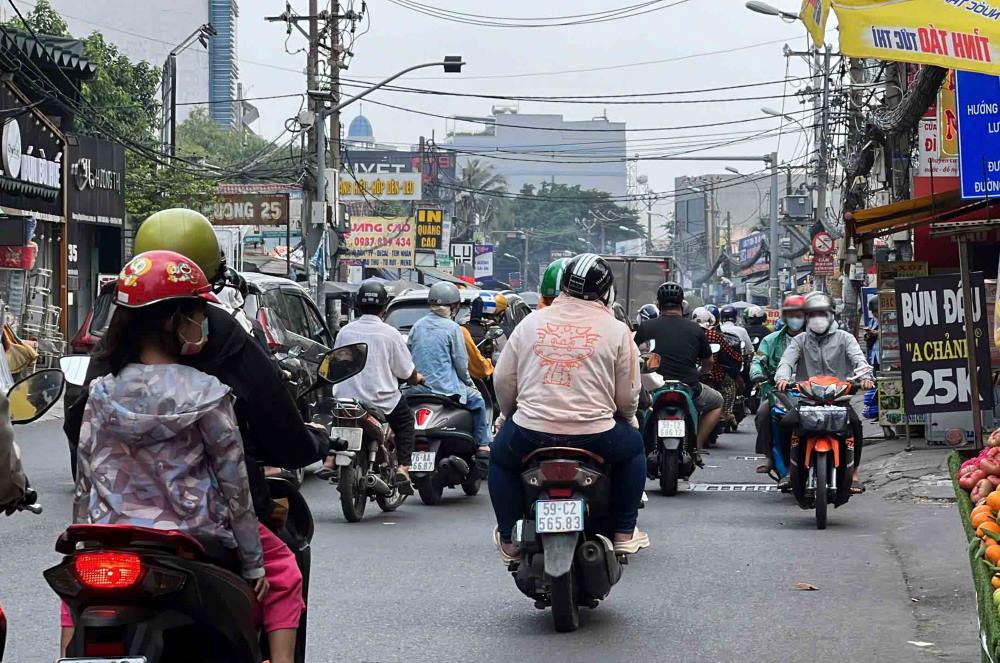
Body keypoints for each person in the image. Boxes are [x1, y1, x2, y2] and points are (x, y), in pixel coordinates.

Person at [64, 251, 301, 662]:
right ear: (176, 321)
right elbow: (235, 488)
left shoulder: (100, 392)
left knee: (77, 587)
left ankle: (65, 653)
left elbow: (85, 478)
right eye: (196, 312)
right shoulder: (207, 392)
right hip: (195, 538)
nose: (202, 322)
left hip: (113, 534)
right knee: (284, 572)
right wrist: (253, 564)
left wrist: (84, 541)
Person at [65, 208, 329, 519]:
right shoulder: (214, 386)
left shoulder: (109, 363)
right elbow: (252, 470)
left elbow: (78, 440)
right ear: (182, 318)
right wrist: (255, 565)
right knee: (282, 561)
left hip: (114, 524)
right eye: (199, 310)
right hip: (206, 525)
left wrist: (83, 531)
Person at [491, 254, 648, 560]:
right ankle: (624, 532)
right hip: (596, 434)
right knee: (634, 450)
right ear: (606, 291)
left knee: (499, 460)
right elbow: (629, 394)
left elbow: (503, 380)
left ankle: (510, 538)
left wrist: (509, 414)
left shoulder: (530, 324)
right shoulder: (617, 330)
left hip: (529, 432)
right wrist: (628, 419)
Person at [320, 281, 424, 493]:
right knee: (405, 423)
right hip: (381, 401)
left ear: (357, 305)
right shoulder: (390, 334)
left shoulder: (345, 332)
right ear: (384, 307)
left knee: (334, 417)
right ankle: (403, 468)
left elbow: (335, 364)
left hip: (346, 398)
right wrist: (417, 378)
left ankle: (330, 459)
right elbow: (405, 372)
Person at [775, 292, 874, 494]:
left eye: (821, 313)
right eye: (812, 314)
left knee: (855, 427)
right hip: (807, 401)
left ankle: (854, 472)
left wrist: (865, 377)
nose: (817, 318)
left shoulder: (845, 338)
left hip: (839, 400)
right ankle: (788, 470)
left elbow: (859, 360)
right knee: (785, 424)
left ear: (831, 315)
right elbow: (786, 361)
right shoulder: (800, 341)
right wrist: (783, 378)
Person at [634, 283, 724, 452]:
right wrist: (702, 372)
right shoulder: (695, 329)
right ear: (682, 304)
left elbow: (632, 355)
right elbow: (709, 361)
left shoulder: (646, 327)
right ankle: (696, 445)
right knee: (717, 401)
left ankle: (638, 447)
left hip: (652, 388)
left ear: (659, 304)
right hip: (688, 386)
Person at [407, 282, 493, 459]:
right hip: (445, 389)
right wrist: (470, 384)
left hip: (416, 389)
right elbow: (461, 364)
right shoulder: (453, 328)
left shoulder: (417, 326)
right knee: (478, 400)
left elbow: (408, 356)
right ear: (453, 307)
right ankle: (483, 445)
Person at [749, 295, 805, 477]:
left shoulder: (816, 339)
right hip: (779, 394)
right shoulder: (771, 340)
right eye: (792, 314)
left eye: (800, 314)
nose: (796, 318)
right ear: (785, 317)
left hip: (811, 393)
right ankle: (769, 455)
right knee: (763, 414)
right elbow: (758, 359)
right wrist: (756, 372)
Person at [691, 307, 744, 429]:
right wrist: (741, 358)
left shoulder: (688, 333)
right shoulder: (714, 335)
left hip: (692, 372)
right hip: (714, 372)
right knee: (730, 384)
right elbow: (730, 352)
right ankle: (726, 412)